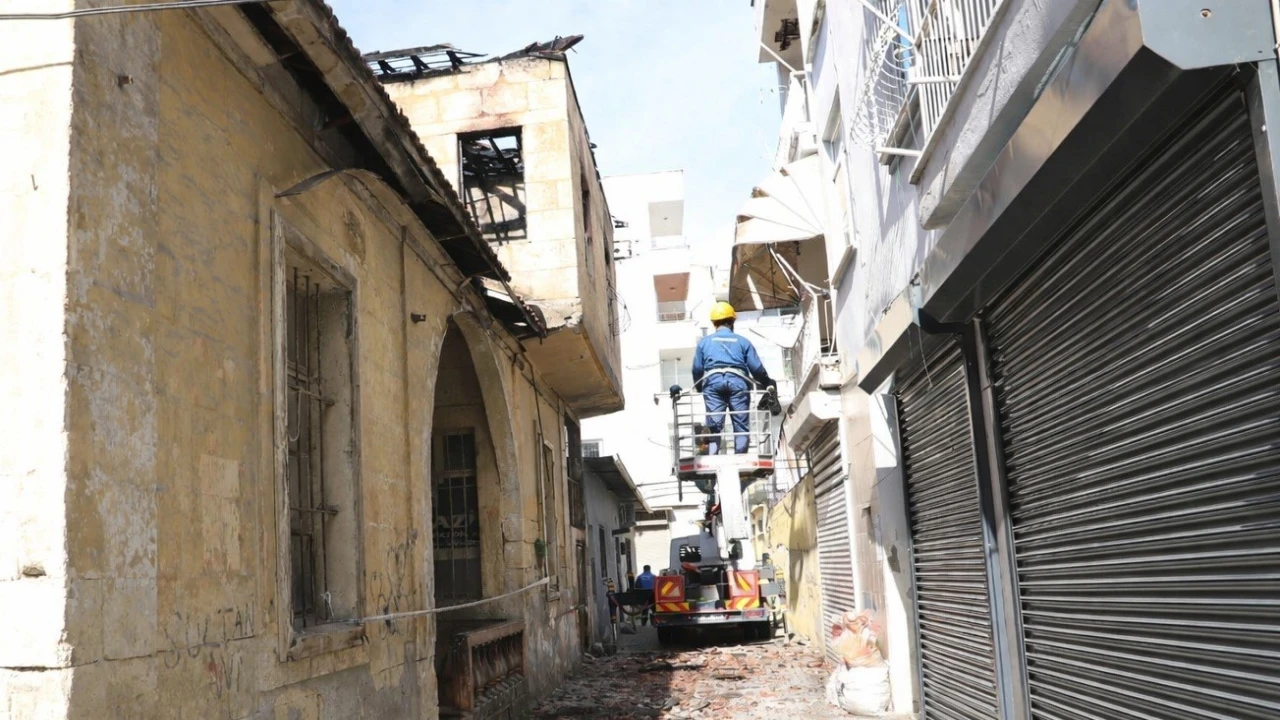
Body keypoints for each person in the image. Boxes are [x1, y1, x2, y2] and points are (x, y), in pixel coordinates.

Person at [692, 302, 776, 454]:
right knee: (740, 425)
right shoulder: (743, 342)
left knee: (714, 425)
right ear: (732, 321)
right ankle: (740, 456)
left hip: (713, 383)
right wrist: (767, 383)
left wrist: (699, 387)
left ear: (714, 323)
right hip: (738, 383)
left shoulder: (704, 343)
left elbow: (697, 369)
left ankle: (711, 456)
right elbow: (756, 369)